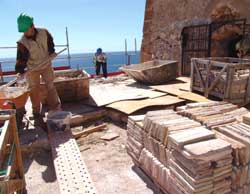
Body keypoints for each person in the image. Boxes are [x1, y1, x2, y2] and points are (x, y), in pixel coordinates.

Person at [15, 13, 61, 129]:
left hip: (46, 64)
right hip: (32, 69)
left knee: (50, 85)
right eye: (23, 31)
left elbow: (50, 43)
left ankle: (55, 108)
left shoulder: (44, 32)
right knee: (34, 90)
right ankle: (36, 112)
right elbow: (21, 59)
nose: (25, 33)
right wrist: (20, 72)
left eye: (26, 30)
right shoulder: (22, 42)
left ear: (32, 26)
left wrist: (52, 52)